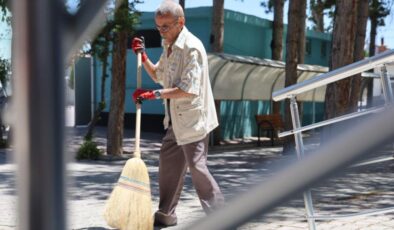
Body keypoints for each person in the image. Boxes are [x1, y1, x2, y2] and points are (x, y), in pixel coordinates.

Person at [131, 0, 224, 227]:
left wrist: (153, 95)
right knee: (168, 163)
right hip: (175, 121)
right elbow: (158, 75)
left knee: (197, 167)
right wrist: (142, 56)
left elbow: (187, 90)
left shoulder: (191, 48)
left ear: (180, 22)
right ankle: (166, 214)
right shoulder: (168, 46)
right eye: (158, 27)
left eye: (165, 27)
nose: (161, 32)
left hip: (193, 121)